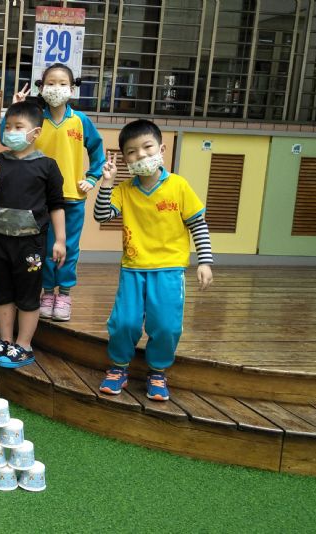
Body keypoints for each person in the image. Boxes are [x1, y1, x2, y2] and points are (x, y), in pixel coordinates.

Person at [93, 119, 213, 401]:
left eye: (147, 147)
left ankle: (158, 371)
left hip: (170, 270)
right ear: (125, 159)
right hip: (133, 269)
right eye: (131, 152)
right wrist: (107, 182)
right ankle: (118, 367)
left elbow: (198, 224)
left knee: (166, 325)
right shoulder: (124, 190)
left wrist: (205, 261)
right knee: (124, 322)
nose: (141, 155)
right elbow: (102, 215)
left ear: (162, 149)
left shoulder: (179, 186)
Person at [0, 101, 66, 369]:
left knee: (27, 293)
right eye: (8, 127)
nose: (11, 132)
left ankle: (24, 345)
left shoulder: (48, 166)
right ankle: (5, 341)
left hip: (31, 244)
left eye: (18, 127)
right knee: (1, 292)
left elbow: (57, 205)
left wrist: (60, 240)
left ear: (35, 133)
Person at [13, 63, 105, 322]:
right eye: (50, 83)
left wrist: (92, 177)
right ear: (41, 88)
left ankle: (63, 294)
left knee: (68, 248)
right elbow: (16, 143)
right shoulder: (35, 119)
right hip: (38, 199)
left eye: (63, 84)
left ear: (72, 89)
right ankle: (46, 292)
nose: (56, 88)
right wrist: (17, 110)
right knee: (40, 247)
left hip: (71, 198)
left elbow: (97, 150)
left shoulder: (80, 121)